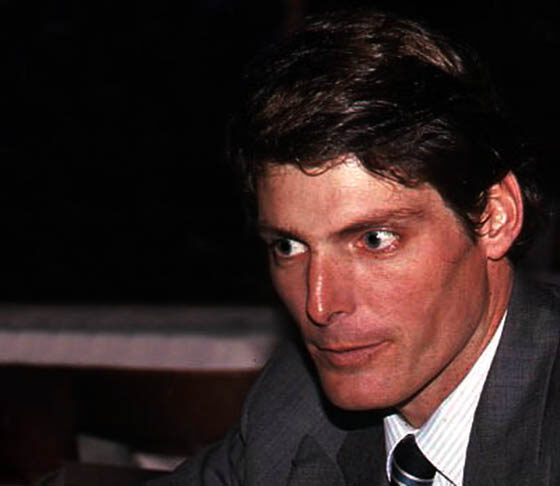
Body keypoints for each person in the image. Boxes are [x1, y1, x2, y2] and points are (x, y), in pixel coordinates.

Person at [148, 8, 559, 485]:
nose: (319, 304)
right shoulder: (296, 405)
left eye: (374, 240)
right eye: (288, 246)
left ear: (494, 217)